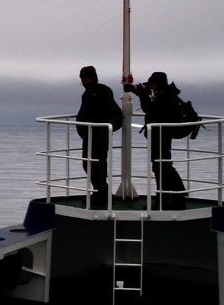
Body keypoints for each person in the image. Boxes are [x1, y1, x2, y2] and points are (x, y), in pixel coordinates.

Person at [125, 71, 187, 208]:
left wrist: (142, 94)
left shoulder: (165, 97)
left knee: (162, 165)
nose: (151, 87)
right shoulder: (166, 94)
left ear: (157, 84)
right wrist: (138, 90)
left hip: (161, 135)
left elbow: (150, 109)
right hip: (161, 135)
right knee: (162, 165)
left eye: (153, 84)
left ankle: (167, 197)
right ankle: (174, 196)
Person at [75, 65, 122, 203]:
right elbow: (84, 113)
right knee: (88, 163)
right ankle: (101, 191)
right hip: (89, 134)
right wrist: (83, 130)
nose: (85, 81)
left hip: (100, 135)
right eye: (83, 79)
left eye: (87, 78)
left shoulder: (103, 91)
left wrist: (107, 127)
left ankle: (103, 193)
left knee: (98, 163)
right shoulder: (86, 94)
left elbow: (112, 112)